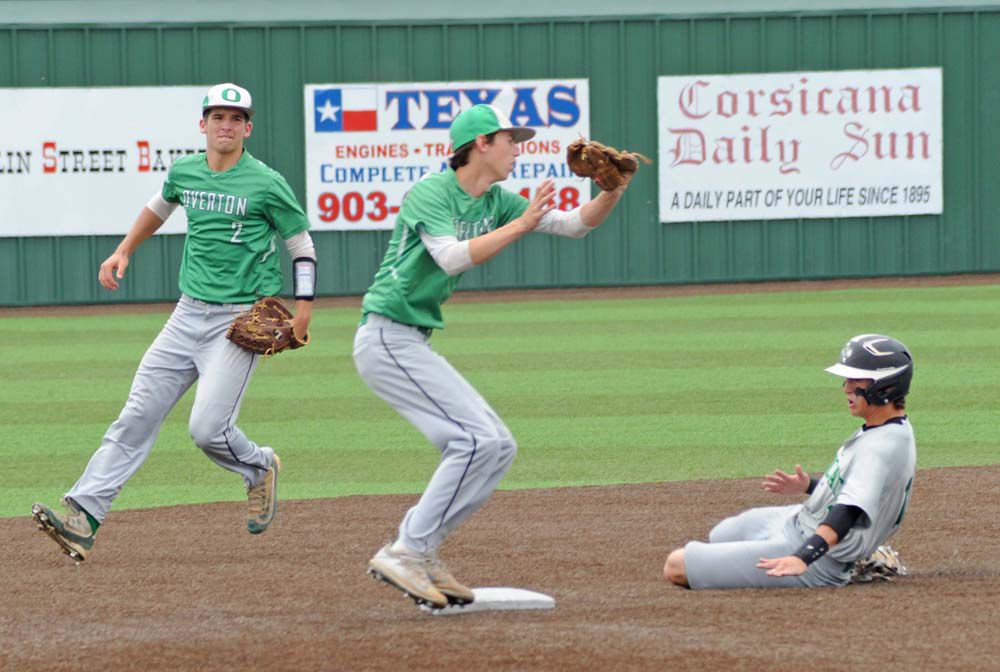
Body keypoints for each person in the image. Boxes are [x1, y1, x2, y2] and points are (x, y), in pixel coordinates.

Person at [355, 104, 634, 608]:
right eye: (510, 139)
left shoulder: (496, 200)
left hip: (410, 341)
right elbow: (451, 256)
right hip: (384, 338)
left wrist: (611, 192)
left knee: (496, 446)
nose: (518, 148)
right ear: (481, 143)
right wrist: (522, 223)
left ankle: (421, 552)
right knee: (478, 440)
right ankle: (407, 550)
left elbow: (574, 226)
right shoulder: (431, 192)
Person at [32, 83, 318, 562]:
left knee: (207, 429)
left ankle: (259, 466)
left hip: (235, 321)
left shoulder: (266, 183)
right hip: (187, 314)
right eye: (217, 117)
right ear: (202, 124)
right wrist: (124, 249)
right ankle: (83, 515)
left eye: (235, 118)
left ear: (248, 128)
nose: (225, 125)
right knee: (136, 415)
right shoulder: (185, 171)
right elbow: (159, 207)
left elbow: (301, 245)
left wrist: (304, 309)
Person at [664, 333, 916, 589]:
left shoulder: (880, 447)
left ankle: (855, 560)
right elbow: (862, 492)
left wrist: (803, 557)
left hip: (820, 558)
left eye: (856, 379)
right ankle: (864, 554)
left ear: (885, 386)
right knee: (720, 534)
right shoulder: (886, 427)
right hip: (799, 520)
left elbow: (849, 511)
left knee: (677, 566)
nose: (847, 388)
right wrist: (809, 486)